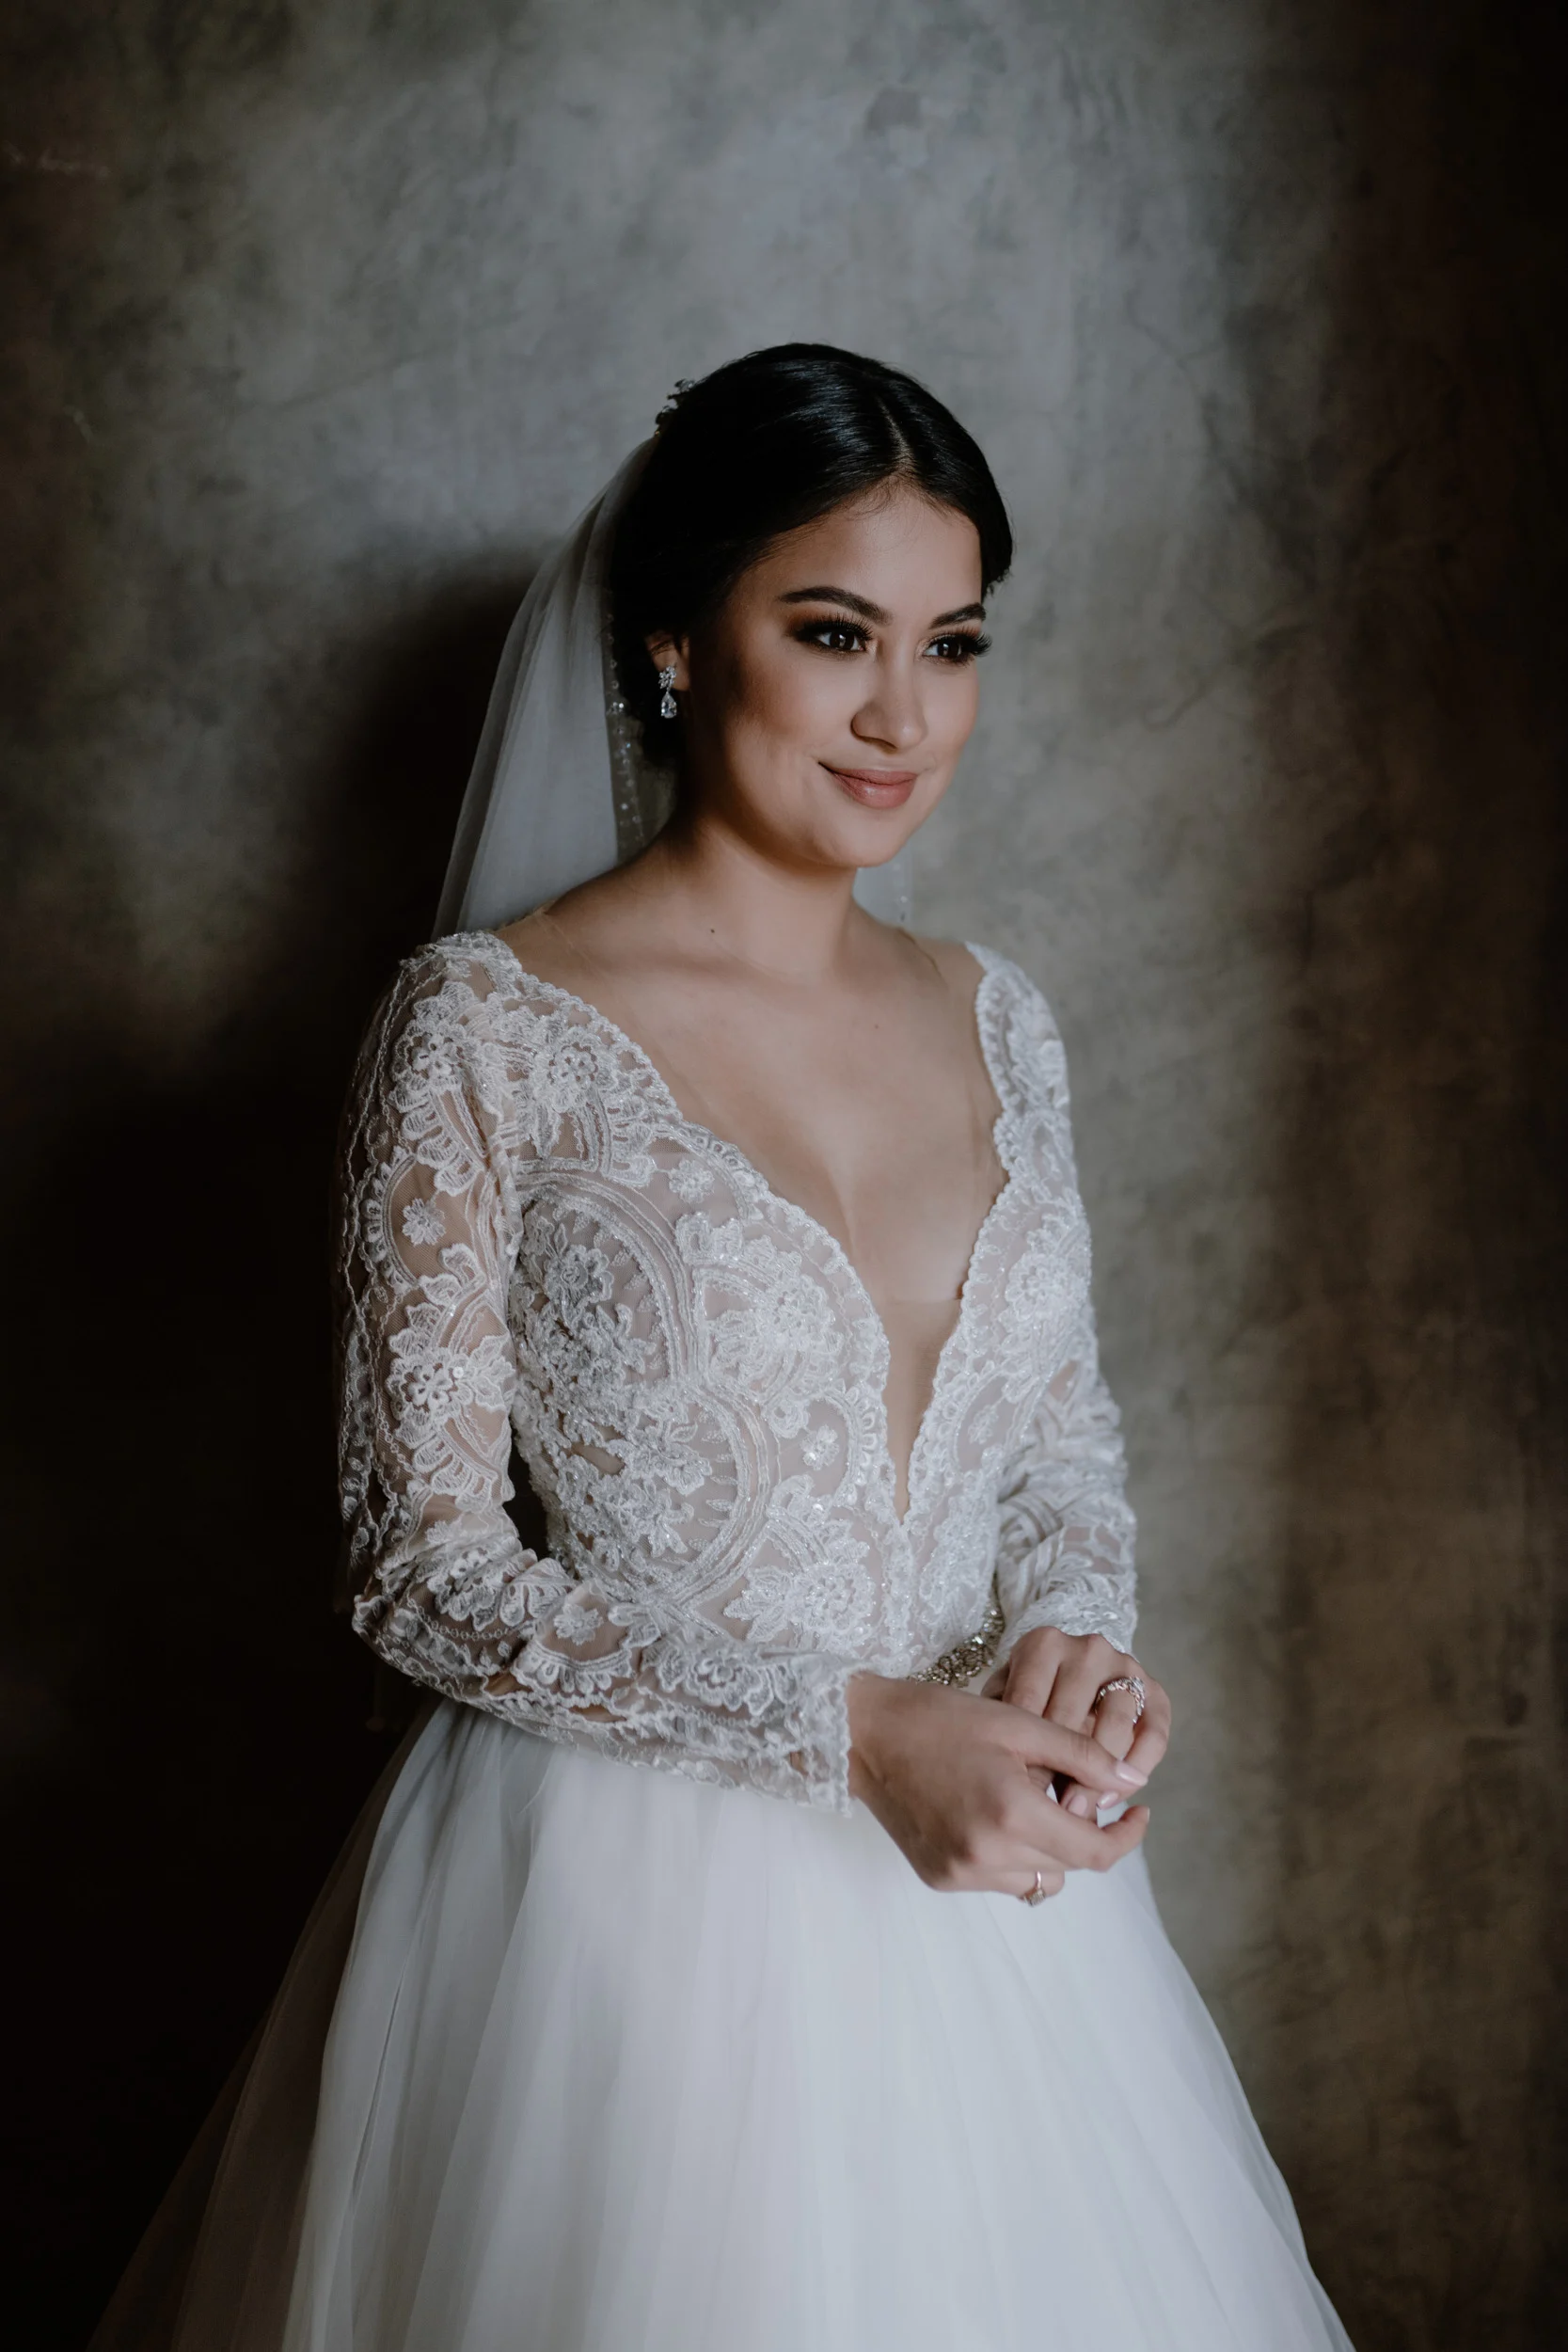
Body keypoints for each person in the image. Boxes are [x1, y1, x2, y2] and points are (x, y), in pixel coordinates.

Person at [92, 344, 1353, 2351]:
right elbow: (414, 1559)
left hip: (1001, 1908)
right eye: (832, 631)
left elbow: (1054, 1445)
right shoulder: (484, 1030)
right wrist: (852, 1731)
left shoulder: (996, 1012)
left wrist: (1077, 1646)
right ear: (675, 640)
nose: (899, 713)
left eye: (951, 644)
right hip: (623, 1915)